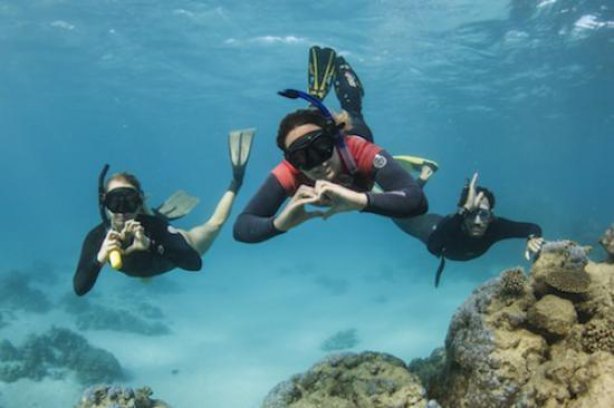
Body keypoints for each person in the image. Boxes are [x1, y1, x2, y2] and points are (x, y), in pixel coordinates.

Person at [233, 47, 428, 243]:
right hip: (343, 162)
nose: (317, 164)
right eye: (302, 157)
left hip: (352, 138)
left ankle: (339, 75)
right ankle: (315, 104)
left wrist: (358, 200)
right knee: (310, 127)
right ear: (292, 161)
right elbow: (242, 228)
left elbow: (417, 200)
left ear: (334, 140)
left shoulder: (358, 150)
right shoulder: (289, 172)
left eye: (321, 147)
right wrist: (278, 224)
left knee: (352, 112)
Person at [73, 129, 255, 296]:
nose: (122, 211)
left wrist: (152, 245)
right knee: (145, 273)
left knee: (215, 225)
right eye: (114, 201)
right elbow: (79, 288)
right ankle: (151, 211)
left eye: (129, 201)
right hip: (146, 248)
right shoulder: (99, 238)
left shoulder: (155, 229)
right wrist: (99, 258)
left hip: (173, 241)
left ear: (138, 203)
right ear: (104, 203)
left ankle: (236, 181)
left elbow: (194, 263)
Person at [393, 172, 544, 286]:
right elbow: (433, 247)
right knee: (397, 214)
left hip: (450, 224)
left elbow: (531, 227)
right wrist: (464, 210)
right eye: (471, 213)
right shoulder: (450, 226)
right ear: (463, 213)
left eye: (483, 214)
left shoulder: (495, 226)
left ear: (491, 216)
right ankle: (419, 180)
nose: (478, 221)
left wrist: (533, 237)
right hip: (433, 227)